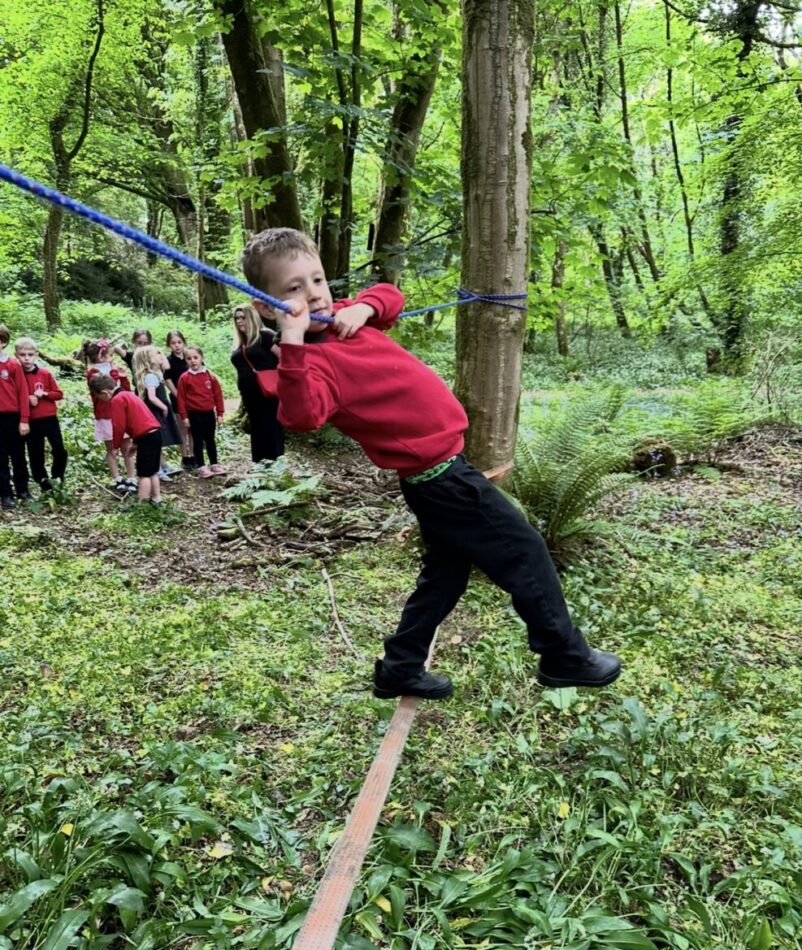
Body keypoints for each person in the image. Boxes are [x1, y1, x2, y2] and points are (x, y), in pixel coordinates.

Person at [241, 228, 622, 699]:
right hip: (442, 478)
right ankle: (564, 655)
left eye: (317, 280)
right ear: (266, 306)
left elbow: (390, 296)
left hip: (440, 476)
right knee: (525, 550)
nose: (314, 295)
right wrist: (294, 341)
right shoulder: (308, 361)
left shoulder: (343, 320)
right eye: (293, 289)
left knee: (445, 574)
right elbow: (301, 416)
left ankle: (400, 667)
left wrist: (364, 308)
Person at [88, 373, 163, 505]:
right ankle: (156, 498)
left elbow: (119, 426)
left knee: (144, 474)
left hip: (146, 437)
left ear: (105, 393)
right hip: (154, 434)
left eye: (100, 397)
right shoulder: (129, 394)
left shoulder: (117, 400)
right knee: (152, 471)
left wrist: (115, 446)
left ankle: (142, 504)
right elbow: (139, 420)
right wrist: (135, 443)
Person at [230, 305, 284, 462]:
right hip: (249, 394)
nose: (239, 321)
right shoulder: (241, 342)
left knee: (272, 426)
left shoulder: (265, 336)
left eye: (243, 317)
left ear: (252, 318)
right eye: (237, 318)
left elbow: (284, 357)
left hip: (268, 391)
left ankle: (276, 464)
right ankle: (259, 463)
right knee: (257, 427)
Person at [15, 337, 68, 492]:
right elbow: (11, 397)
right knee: (35, 453)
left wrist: (45, 394)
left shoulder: (45, 373)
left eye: (30, 355)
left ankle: (58, 476)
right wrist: (26, 399)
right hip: (31, 421)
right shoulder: (16, 375)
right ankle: (43, 481)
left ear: (36, 355)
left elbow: (59, 394)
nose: (26, 358)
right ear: (16, 355)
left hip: (50, 419)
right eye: (22, 355)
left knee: (59, 449)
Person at [84, 338, 137, 493]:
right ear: (102, 356)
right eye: (111, 355)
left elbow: (124, 391)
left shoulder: (113, 369)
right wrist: (115, 372)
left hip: (122, 412)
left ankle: (131, 476)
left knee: (127, 446)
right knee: (112, 448)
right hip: (105, 415)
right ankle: (117, 477)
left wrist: (123, 377)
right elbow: (108, 388)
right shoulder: (93, 373)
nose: (113, 358)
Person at [132, 345, 182, 479]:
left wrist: (160, 354)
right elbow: (152, 397)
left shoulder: (156, 373)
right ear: (148, 359)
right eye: (157, 354)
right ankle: (157, 469)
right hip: (154, 412)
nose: (161, 356)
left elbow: (167, 366)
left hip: (156, 411)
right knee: (156, 441)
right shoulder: (150, 376)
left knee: (159, 441)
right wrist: (164, 407)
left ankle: (163, 465)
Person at [176, 345, 225, 478]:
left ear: (201, 358)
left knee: (210, 440)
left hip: (209, 413)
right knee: (197, 441)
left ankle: (214, 464)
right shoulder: (184, 378)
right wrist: (184, 417)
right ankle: (201, 466)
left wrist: (220, 413)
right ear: (185, 360)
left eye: (195, 357)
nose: (193, 361)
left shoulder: (210, 376)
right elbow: (181, 399)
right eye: (189, 358)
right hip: (194, 414)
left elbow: (218, 395)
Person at [0, 322, 31, 508]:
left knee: (18, 455)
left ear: (3, 342)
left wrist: (24, 420)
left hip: (13, 417)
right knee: (0, 457)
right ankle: (5, 493)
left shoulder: (13, 365)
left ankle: (23, 490)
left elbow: (22, 393)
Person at [164, 330, 194, 468]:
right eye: (173, 343)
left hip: (193, 398)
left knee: (193, 428)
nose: (177, 345)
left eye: (179, 342)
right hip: (178, 399)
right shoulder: (168, 361)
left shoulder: (190, 357)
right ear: (169, 345)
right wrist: (179, 396)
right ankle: (185, 456)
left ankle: (193, 454)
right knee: (183, 428)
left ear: (184, 342)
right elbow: (168, 380)